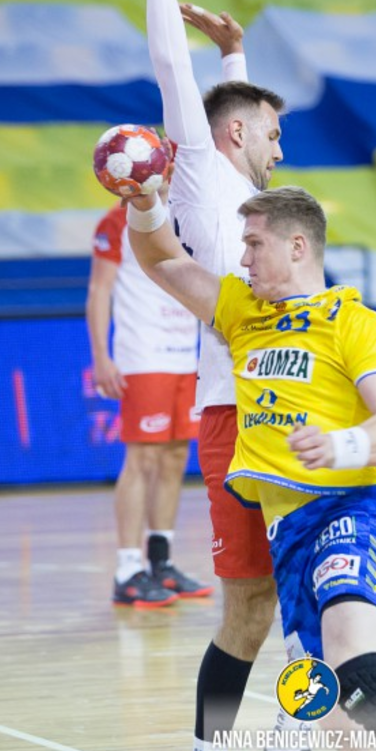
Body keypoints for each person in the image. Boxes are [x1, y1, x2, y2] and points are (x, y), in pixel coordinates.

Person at [124, 182, 376, 751]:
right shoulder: (242, 310)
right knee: (364, 750)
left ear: (297, 246)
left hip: (352, 514)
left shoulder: (354, 323)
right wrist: (144, 204)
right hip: (288, 538)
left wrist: (344, 444)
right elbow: (163, 260)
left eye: (254, 244)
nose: (243, 258)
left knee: (364, 679)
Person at [103, 0, 310, 751]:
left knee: (303, 595)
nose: (280, 150)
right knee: (248, 607)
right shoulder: (196, 170)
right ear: (236, 134)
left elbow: (233, 110)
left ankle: (295, 747)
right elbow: (171, 72)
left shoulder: (245, 195)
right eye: (273, 134)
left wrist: (235, 53)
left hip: (293, 411)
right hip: (231, 413)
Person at [87, 187, 214, 608]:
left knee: (176, 455)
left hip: (186, 352)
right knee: (142, 457)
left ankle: (161, 562)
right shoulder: (116, 221)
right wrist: (102, 356)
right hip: (143, 355)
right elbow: (99, 290)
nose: (170, 174)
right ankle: (127, 569)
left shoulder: (188, 218)